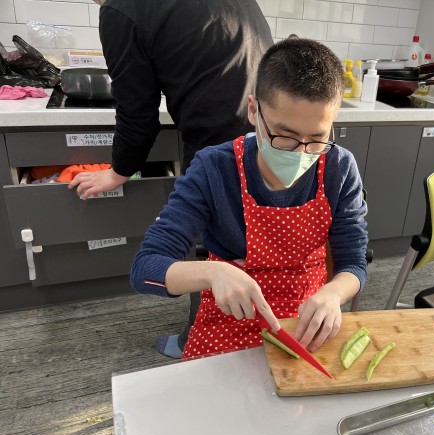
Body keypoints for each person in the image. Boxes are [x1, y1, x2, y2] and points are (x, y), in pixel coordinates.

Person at [130, 38, 368, 360]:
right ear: (254, 110)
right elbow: (145, 268)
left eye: (317, 139)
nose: (301, 153)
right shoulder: (214, 168)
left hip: (306, 320)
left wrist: (333, 293)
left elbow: (353, 262)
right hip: (231, 318)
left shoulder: (339, 167)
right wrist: (213, 274)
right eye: (283, 137)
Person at [72, 0, 274, 358]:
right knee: (255, 243)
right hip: (274, 131)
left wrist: (118, 172)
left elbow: (137, 112)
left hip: (221, 134)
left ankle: (202, 342)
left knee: (214, 249)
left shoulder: (121, 10)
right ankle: (250, 334)